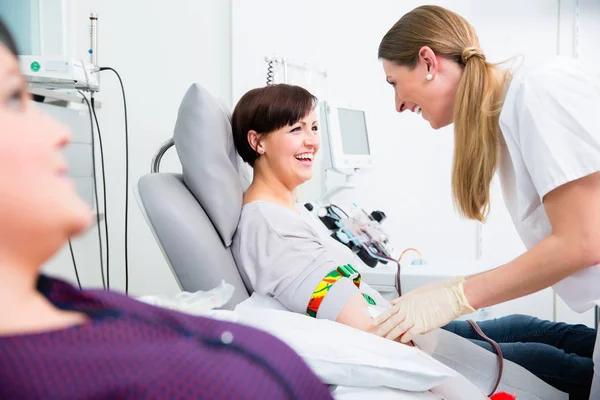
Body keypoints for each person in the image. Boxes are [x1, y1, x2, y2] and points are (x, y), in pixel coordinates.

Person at [0, 20, 333, 400]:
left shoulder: (84, 303)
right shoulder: (29, 374)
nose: (58, 130)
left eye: (314, 128)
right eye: (13, 100)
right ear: (256, 143)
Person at [229, 83, 595, 399]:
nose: (312, 140)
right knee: (551, 360)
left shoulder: (290, 211)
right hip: (407, 343)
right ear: (257, 141)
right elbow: (367, 330)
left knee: (539, 328)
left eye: (312, 126)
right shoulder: (271, 227)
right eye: (296, 129)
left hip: (404, 323)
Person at [372, 4, 600, 400]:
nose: (398, 104)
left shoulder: (538, 90)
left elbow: (584, 241)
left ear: (427, 61)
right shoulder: (508, 112)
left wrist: (456, 295)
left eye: (393, 82)